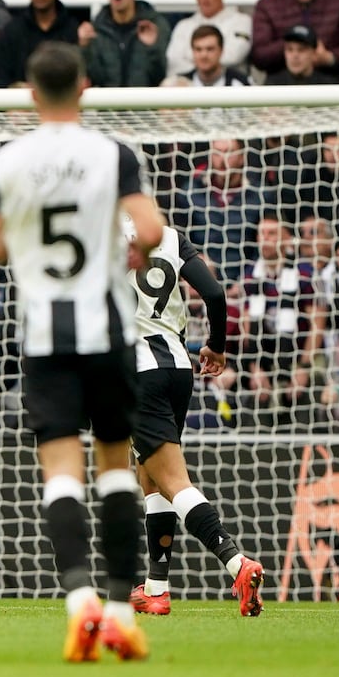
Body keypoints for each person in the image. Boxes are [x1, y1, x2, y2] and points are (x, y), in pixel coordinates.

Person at [0, 41, 165, 661]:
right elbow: (152, 233)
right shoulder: (113, 155)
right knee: (114, 469)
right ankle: (116, 612)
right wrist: (127, 245)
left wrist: (23, 235)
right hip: (107, 332)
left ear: (31, 93)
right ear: (83, 87)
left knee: (60, 473)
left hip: (44, 338)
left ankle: (77, 602)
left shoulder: (6, 162)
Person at [123, 217, 265, 618]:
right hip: (179, 368)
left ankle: (237, 563)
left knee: (172, 480)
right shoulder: (167, 236)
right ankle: (156, 588)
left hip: (135, 370)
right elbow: (216, 294)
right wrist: (216, 347)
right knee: (150, 475)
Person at [82, 0, 170, 87]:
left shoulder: (155, 25)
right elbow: (95, 78)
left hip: (146, 103)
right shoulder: (96, 29)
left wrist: (152, 48)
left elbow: (160, 76)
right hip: (107, 103)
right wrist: (84, 48)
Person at [166, 0, 251, 75]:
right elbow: (174, 62)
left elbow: (232, 57)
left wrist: (190, 57)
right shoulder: (183, 26)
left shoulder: (242, 21)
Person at [167, 24, 252, 88]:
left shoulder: (241, 83)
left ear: (221, 51)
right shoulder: (177, 84)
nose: (204, 55)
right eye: (198, 49)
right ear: (192, 51)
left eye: (210, 49)